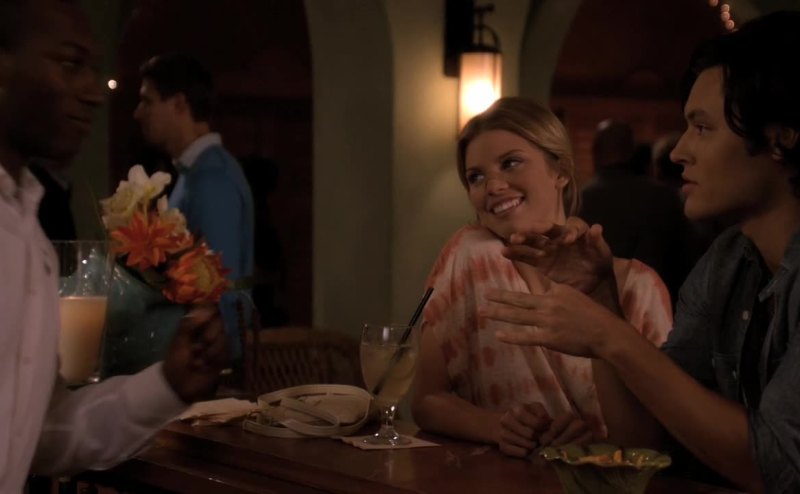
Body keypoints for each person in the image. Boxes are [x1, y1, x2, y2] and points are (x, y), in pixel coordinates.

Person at [481, 11, 800, 493]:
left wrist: (611, 336)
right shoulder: (728, 260)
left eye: (702, 128)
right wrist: (601, 298)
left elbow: (776, 468)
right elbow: (646, 441)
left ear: (781, 137)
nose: (677, 152)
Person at [0, 0, 229, 491]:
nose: (93, 93)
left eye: (93, 68)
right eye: (70, 63)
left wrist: (166, 385)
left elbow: (39, 431)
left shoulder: (30, 239)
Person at [411, 97, 673, 457]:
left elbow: (654, 443)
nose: (493, 186)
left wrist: (591, 445)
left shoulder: (640, 289)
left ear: (560, 171)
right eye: (476, 177)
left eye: (511, 163)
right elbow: (426, 401)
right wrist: (498, 425)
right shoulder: (469, 256)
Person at [134, 54, 255, 357]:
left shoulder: (213, 179)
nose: (138, 113)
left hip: (207, 361)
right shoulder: (194, 174)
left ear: (178, 104)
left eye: (147, 101)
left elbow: (218, 292)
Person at [579, 119, 691, 302]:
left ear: (596, 153)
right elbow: (686, 262)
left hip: (593, 308)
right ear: (631, 151)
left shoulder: (577, 200)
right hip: (659, 305)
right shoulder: (664, 197)